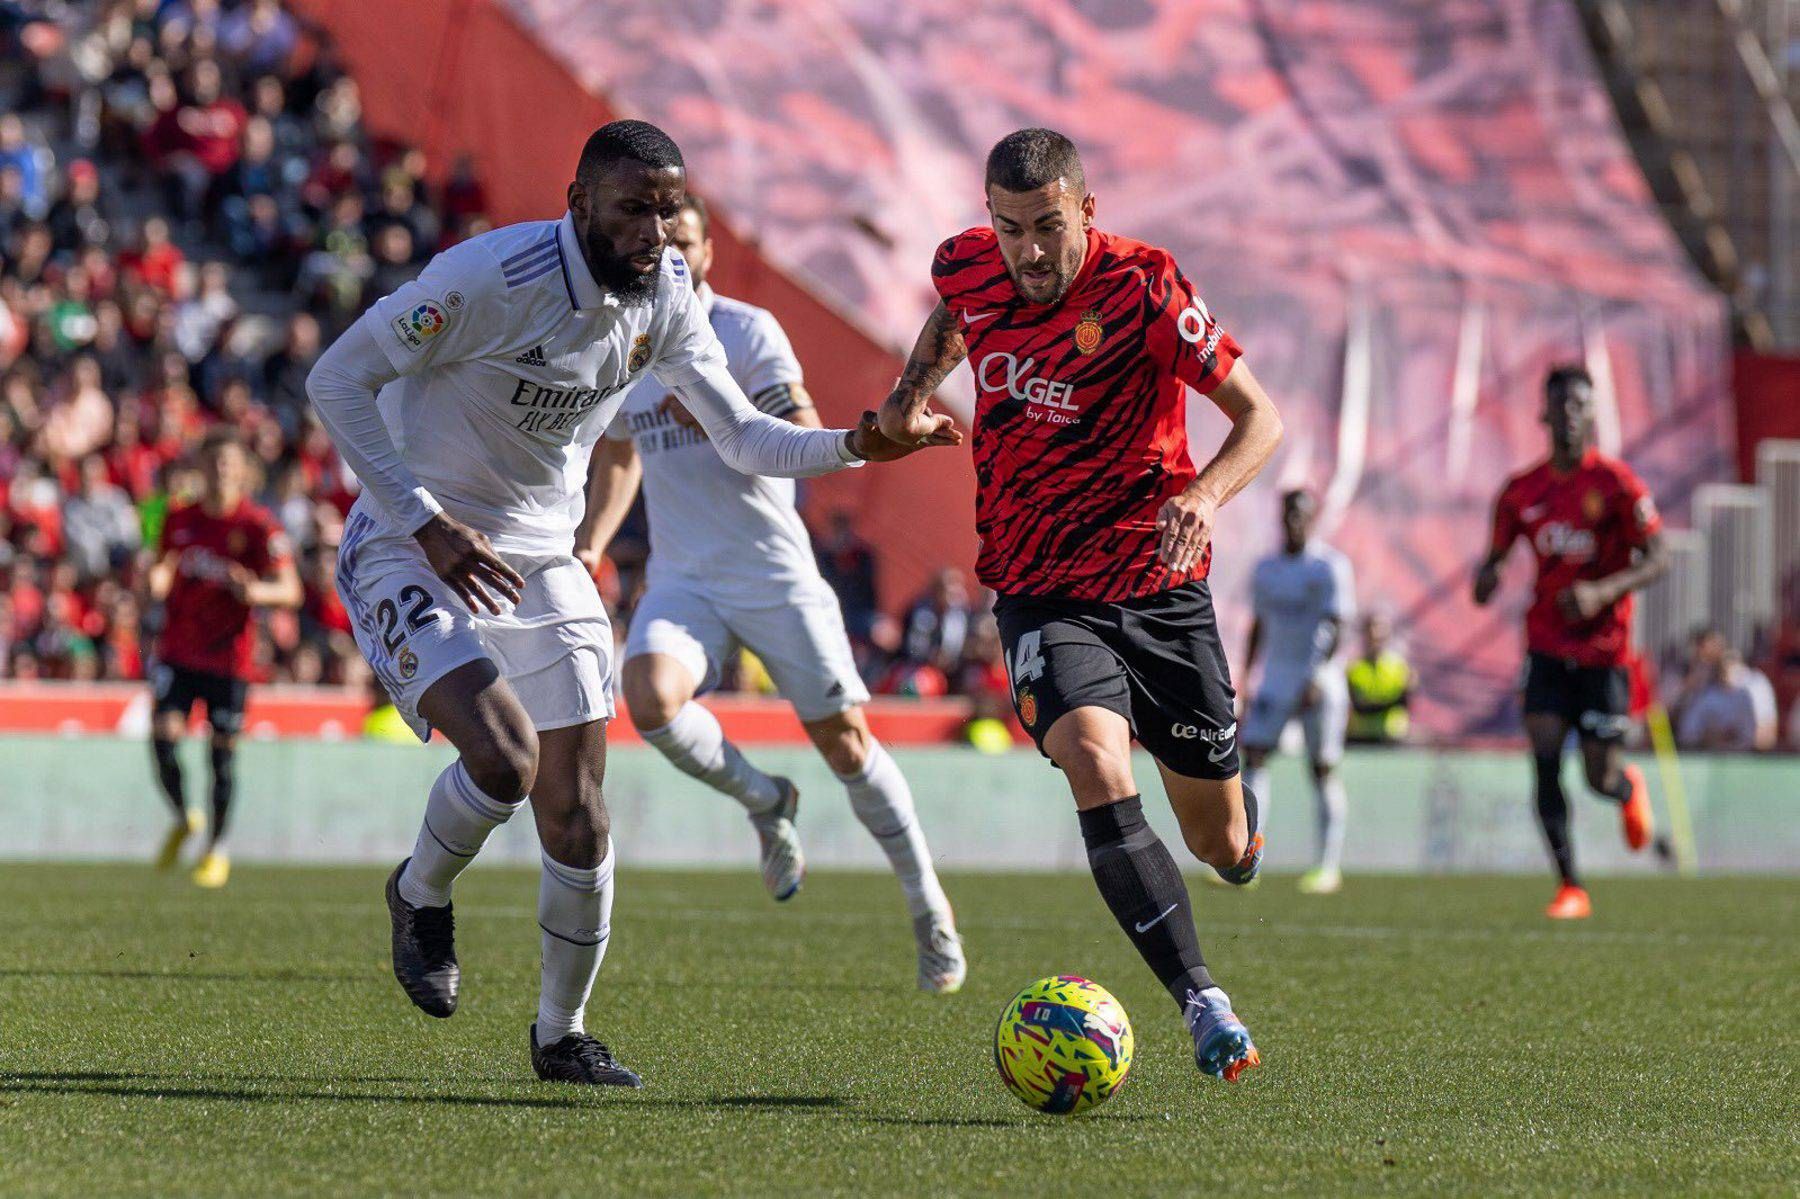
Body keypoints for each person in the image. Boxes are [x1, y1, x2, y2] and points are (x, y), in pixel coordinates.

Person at [305, 120, 952, 1087]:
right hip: (411, 544)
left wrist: (861, 443)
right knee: (506, 757)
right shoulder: (488, 277)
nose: (654, 231)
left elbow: (742, 437)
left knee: (580, 813)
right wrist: (429, 520)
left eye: (666, 209)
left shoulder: (669, 300)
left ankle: (560, 1035)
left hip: (539, 558)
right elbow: (337, 379)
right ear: (580, 206)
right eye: (632, 208)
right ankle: (419, 891)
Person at [879, 128, 1283, 1084]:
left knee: (1218, 841)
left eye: (1048, 227)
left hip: (1159, 588)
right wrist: (905, 398)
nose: (1028, 250)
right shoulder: (971, 268)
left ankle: (1241, 826)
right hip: (1039, 588)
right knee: (1096, 763)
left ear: (1086, 213)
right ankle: (1203, 1001)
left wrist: (1202, 495)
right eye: (1010, 227)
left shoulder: (1146, 289)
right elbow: (954, 316)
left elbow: (1261, 418)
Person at [576, 194, 964, 992]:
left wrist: (757, 420)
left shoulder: (746, 333)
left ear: (708, 253)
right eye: (656, 244)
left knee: (846, 743)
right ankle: (764, 798)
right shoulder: (626, 339)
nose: (668, 255)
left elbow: (792, 423)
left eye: (683, 241)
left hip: (770, 567)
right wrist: (590, 542)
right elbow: (620, 452)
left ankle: (930, 910)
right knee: (645, 696)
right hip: (684, 573)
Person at [1473, 365, 1667, 920]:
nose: (1568, 416)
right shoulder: (1520, 492)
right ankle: (1570, 885)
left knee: (1598, 776)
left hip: (1606, 650)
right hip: (1546, 646)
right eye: (1559, 406)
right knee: (1545, 758)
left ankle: (1626, 787)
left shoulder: (1618, 484)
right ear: (1544, 414)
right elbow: (1494, 562)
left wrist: (1602, 590)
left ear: (1592, 414)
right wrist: (1486, 581)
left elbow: (1659, 558)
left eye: (1579, 406)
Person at [146, 430, 302, 887]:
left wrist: (254, 591)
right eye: (213, 463)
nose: (220, 472)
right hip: (178, 650)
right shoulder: (179, 518)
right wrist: (154, 579)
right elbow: (163, 566)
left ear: (243, 471)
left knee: (222, 755)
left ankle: (216, 849)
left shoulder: (259, 526)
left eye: (229, 464)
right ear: (201, 468)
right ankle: (182, 816)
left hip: (229, 659)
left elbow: (290, 590)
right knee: (163, 735)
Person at [1239, 489, 1355, 895]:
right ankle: (1247, 855)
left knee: (1321, 769)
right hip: (1274, 678)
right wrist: (1247, 680)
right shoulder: (1266, 568)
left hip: (1317, 682)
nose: (1294, 520)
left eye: (1301, 514)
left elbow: (1336, 625)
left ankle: (1327, 867)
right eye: (1288, 513)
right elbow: (1259, 625)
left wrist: (1316, 676)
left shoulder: (1329, 567)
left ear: (1313, 518)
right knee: (1252, 755)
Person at [1345, 612, 1413, 745]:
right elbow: (1359, 707)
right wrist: (1391, 701)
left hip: (1392, 738)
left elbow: (1404, 703)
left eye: (1380, 630)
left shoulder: (1399, 666)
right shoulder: (1354, 668)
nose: (1375, 635)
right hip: (1361, 739)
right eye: (1371, 630)